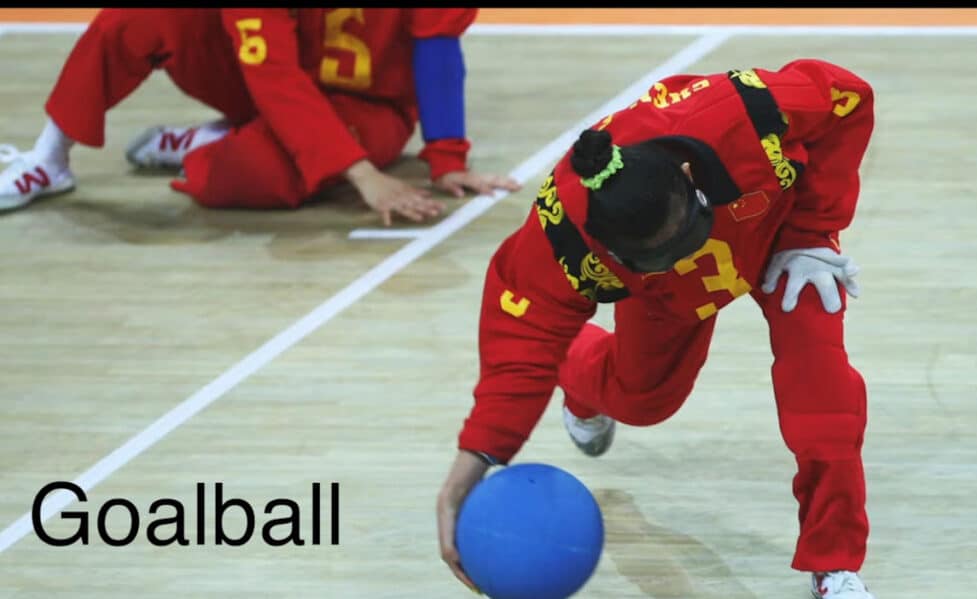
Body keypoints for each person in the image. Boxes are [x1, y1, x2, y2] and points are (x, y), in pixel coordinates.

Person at [436, 59, 877, 599]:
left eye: (680, 240)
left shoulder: (747, 112)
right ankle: (578, 373)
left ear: (691, 179)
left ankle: (833, 566)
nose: (676, 255)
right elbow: (521, 339)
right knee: (644, 402)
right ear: (610, 249)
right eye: (659, 255)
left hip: (786, 243)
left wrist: (813, 228)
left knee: (824, 403)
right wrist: (474, 462)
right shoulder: (561, 234)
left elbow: (849, 98)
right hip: (670, 296)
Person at [0, 8, 520, 224]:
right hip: (264, 73)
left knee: (237, 175)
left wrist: (448, 159)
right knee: (142, 16)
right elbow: (272, 71)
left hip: (367, 103)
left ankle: (202, 145)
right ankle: (50, 157)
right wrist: (362, 176)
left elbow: (436, 48)